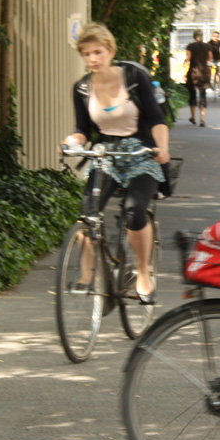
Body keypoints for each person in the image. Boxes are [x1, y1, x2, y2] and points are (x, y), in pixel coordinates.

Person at [66, 23, 170, 303]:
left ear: (111, 51)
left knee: (134, 212)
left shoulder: (134, 78)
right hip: (105, 152)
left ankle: (143, 273)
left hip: (140, 152)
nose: (93, 59)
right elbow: (83, 129)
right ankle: (88, 275)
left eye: (98, 52)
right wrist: (74, 142)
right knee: (87, 213)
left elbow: (157, 118)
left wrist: (162, 148)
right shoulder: (82, 88)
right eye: (87, 54)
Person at [184, 30, 212, 126]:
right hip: (204, 72)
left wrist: (184, 63)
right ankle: (202, 119)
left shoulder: (190, 46)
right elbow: (210, 58)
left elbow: (188, 58)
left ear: (193, 36)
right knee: (203, 95)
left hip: (194, 72)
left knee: (192, 95)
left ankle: (194, 118)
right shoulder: (207, 46)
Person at [207, 30, 220, 96]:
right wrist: (209, 60)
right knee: (209, 69)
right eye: (214, 36)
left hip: (218, 59)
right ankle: (211, 82)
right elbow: (209, 53)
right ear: (212, 36)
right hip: (211, 59)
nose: (216, 38)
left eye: (217, 36)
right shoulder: (209, 43)